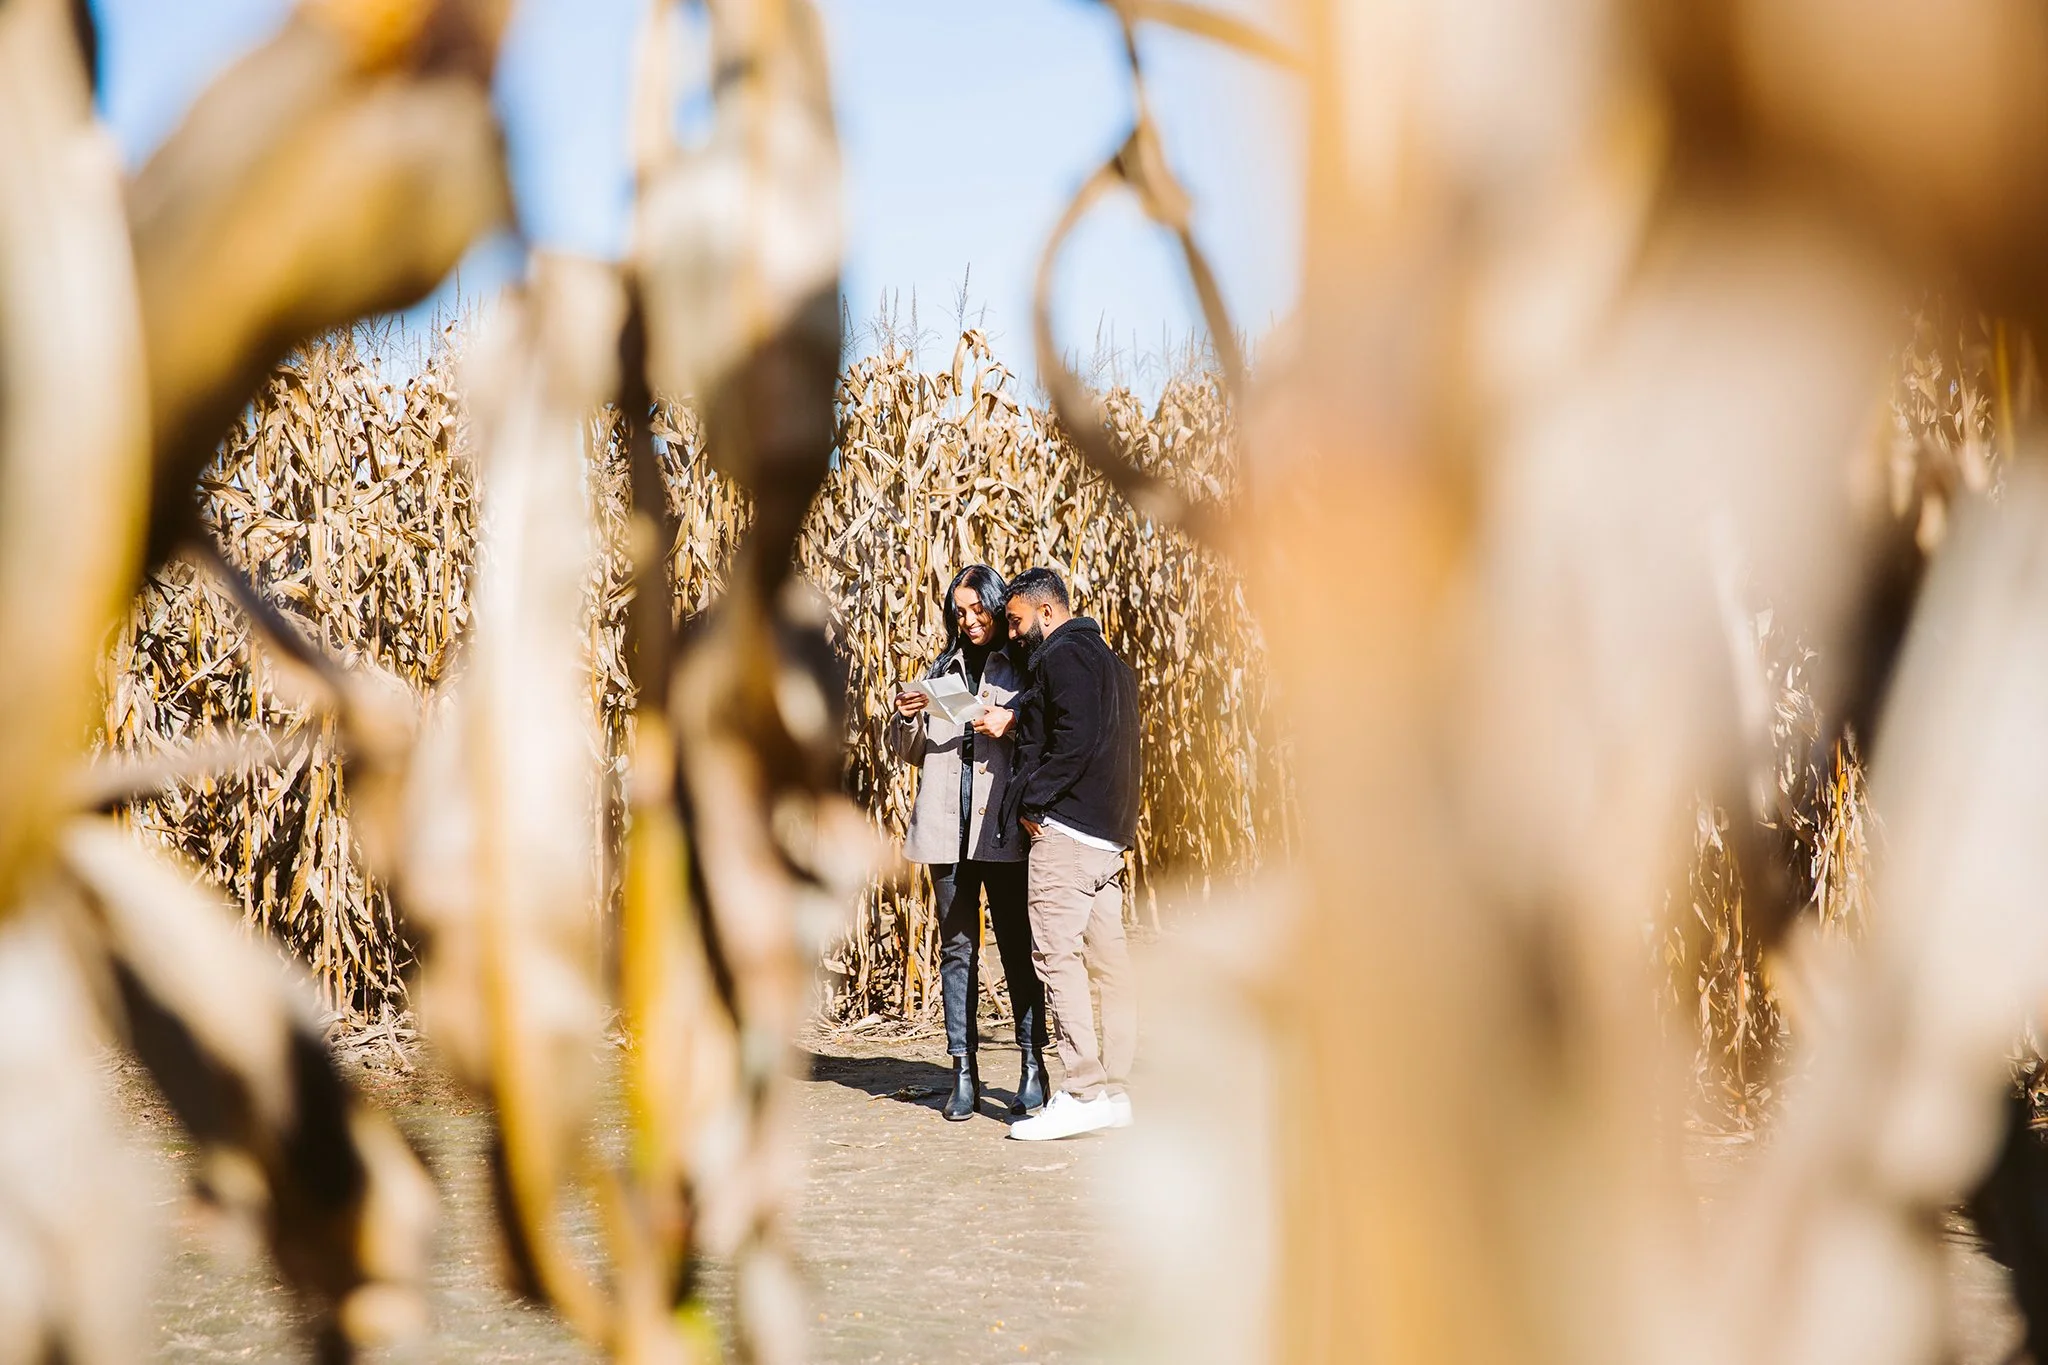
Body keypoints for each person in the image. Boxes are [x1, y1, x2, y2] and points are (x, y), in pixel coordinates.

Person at [887, 564, 1049, 1121]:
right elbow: (907, 751)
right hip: (944, 833)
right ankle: (963, 1071)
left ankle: (1033, 1064)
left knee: (1014, 946)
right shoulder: (942, 670)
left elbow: (1046, 732)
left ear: (997, 607)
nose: (970, 620)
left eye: (979, 610)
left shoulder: (1022, 669)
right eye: (960, 611)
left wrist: (1011, 723)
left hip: (999, 830)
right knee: (957, 951)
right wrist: (905, 717)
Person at [990, 566, 1142, 1141]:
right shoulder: (1113, 664)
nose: (1012, 633)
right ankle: (1116, 1091)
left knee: (1057, 957)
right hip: (1107, 839)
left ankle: (1082, 1090)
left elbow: (1073, 739)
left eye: (1016, 620)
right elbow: (1100, 737)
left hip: (1068, 837)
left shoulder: (1060, 657)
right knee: (1111, 964)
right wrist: (1017, 716)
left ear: (1046, 613)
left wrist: (1033, 802)